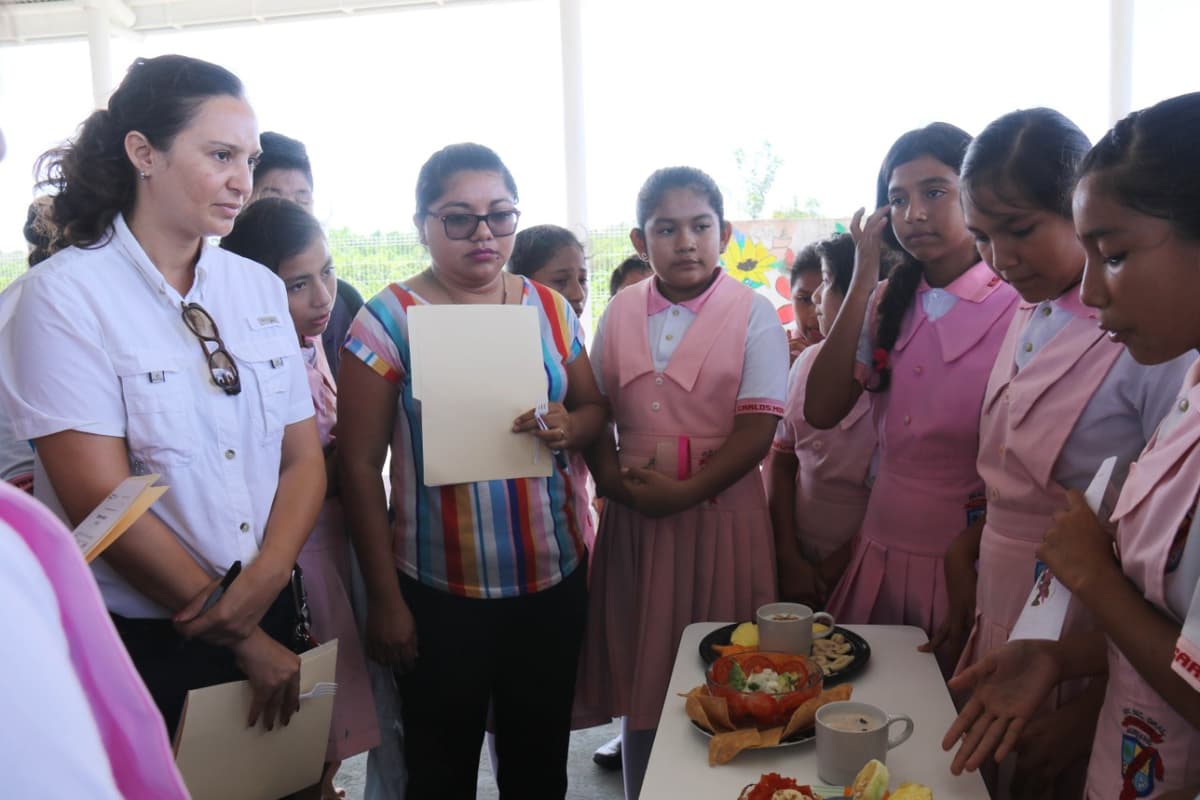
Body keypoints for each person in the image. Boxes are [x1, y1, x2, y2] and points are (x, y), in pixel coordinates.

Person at [0, 54, 325, 737]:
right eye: (220, 155)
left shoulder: (256, 288)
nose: (245, 181)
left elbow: (301, 458)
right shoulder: (61, 299)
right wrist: (236, 632)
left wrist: (263, 584)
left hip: (269, 604)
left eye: (249, 157)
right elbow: (100, 495)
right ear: (143, 153)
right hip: (141, 638)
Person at [945, 92, 1200, 799]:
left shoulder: (1157, 350)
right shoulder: (1037, 317)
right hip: (1064, 626)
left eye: (1113, 254)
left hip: (1092, 617)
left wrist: (1092, 588)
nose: (1093, 289)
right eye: (983, 237)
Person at [338, 142, 607, 799]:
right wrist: (386, 601)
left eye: (500, 214)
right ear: (422, 226)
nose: (483, 233)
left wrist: (570, 425)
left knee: (539, 764)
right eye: (458, 217)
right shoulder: (388, 319)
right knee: (439, 768)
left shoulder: (548, 307)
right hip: (437, 590)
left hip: (552, 579)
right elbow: (358, 464)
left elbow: (594, 406)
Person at [575, 166, 789, 799]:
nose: (685, 242)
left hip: (720, 517)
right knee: (645, 674)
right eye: (666, 230)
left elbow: (757, 432)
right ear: (642, 242)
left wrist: (687, 493)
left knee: (721, 673)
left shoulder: (754, 315)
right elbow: (593, 405)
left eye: (699, 227)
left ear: (722, 232)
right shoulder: (618, 312)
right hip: (635, 516)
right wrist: (609, 480)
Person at [805, 123, 1019, 667]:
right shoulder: (885, 301)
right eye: (897, 199)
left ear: (976, 194)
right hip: (880, 540)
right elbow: (821, 409)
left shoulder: (1018, 304)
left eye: (935, 192)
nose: (914, 213)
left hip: (967, 558)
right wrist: (864, 276)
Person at [221, 198, 381, 800]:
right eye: (298, 284)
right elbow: (279, 477)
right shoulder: (244, 366)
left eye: (328, 272)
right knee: (296, 729)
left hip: (335, 550)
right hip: (295, 560)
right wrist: (355, 451)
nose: (323, 297)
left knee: (324, 733)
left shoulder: (311, 348)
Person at [766, 232, 891, 609]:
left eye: (829, 284)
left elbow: (888, 499)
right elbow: (784, 462)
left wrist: (835, 566)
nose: (817, 299)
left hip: (869, 556)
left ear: (868, 295)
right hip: (800, 552)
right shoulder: (806, 364)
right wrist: (789, 557)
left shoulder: (896, 382)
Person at [249, 130, 365, 376]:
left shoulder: (344, 303)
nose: (290, 213)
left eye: (302, 200)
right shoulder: (221, 302)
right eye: (271, 199)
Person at [787, 242, 824, 362]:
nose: (815, 311)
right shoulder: (775, 353)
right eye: (805, 299)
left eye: (825, 300)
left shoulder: (861, 359)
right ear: (790, 296)